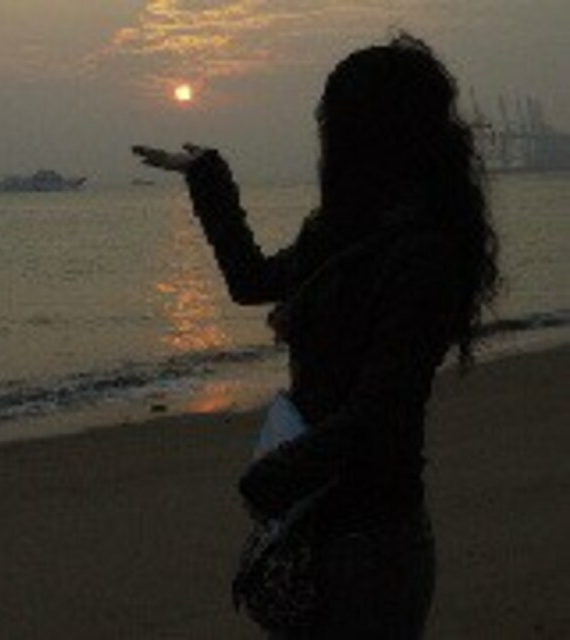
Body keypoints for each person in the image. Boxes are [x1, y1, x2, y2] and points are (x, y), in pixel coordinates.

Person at [134, 32, 499, 639]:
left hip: (374, 540)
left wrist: (277, 473)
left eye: (334, 123)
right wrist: (208, 179)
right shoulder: (340, 234)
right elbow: (251, 280)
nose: (324, 141)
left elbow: (381, 407)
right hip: (315, 524)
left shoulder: (425, 254)